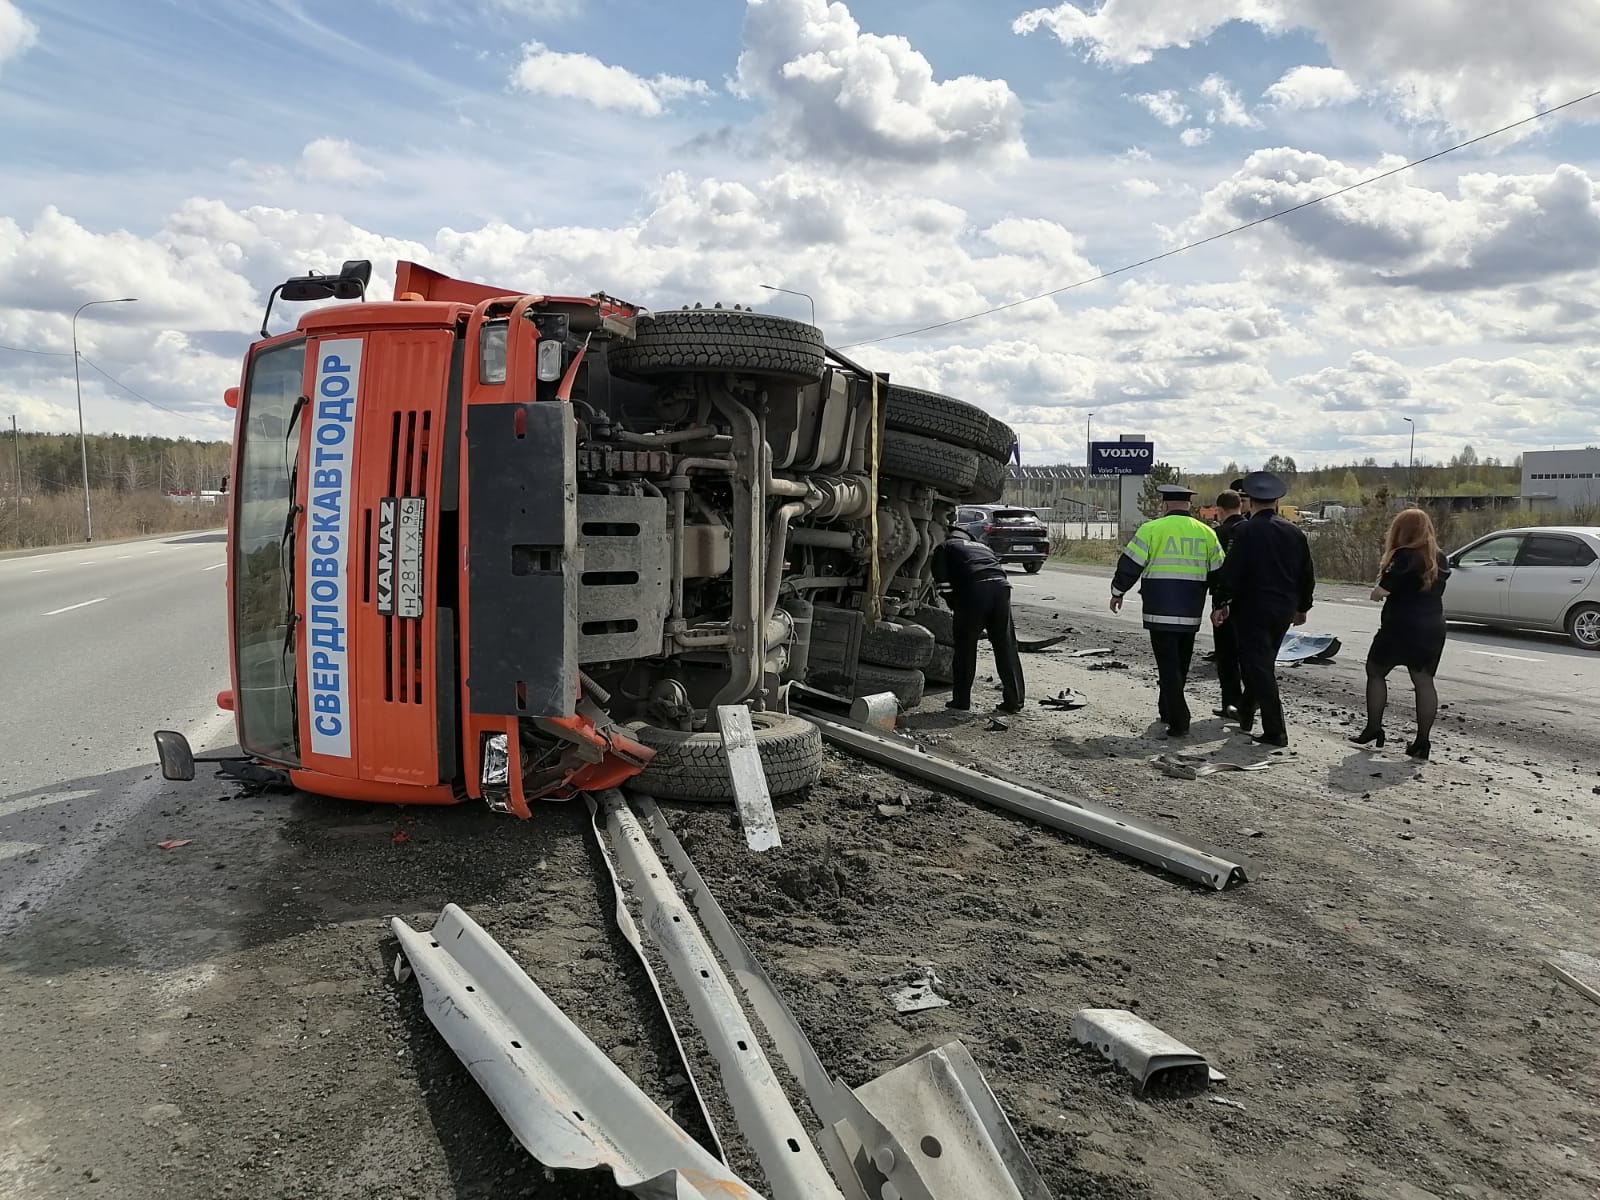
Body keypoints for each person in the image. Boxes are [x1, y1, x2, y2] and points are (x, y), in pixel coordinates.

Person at [1108, 484, 1223, 736]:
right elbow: (1219, 574)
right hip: (1191, 611)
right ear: (1189, 506)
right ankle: (1167, 709)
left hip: (1159, 611)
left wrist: (1118, 591)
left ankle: (1179, 718)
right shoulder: (1207, 533)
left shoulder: (1151, 529)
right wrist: (1220, 604)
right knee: (1180, 664)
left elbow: (1130, 565)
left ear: (1165, 505)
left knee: (1167, 665)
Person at [1213, 471, 1315, 748]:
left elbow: (1232, 571)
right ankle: (1246, 713)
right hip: (1283, 609)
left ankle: (1275, 730)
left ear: (1251, 501)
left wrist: (1221, 602)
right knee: (1263, 663)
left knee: (1257, 666)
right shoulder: (1294, 532)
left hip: (1252, 608)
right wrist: (1303, 606)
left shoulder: (1245, 531)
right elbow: (1307, 572)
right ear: (1276, 501)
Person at [1349, 508, 1451, 760]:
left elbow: (1381, 591)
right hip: (1432, 626)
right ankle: (1422, 742)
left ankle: (1374, 727)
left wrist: (1377, 590)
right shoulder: (1439, 556)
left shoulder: (1404, 556)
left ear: (1400, 530)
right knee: (1424, 682)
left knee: (1375, 671)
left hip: (1400, 626)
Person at [931, 522, 1025, 713]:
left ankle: (961, 700)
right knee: (1006, 646)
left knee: (965, 648)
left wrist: (955, 604)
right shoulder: (983, 547)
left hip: (974, 590)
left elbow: (942, 582)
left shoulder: (945, 547)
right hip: (1001, 588)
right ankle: (1014, 701)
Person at [1210, 490, 1247, 719]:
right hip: (1252, 603)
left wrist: (1218, 601)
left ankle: (1230, 703)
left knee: (1226, 655)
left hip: (1225, 602)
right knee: (1248, 655)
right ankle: (1250, 702)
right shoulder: (1251, 530)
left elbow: (1216, 572)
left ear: (1220, 510)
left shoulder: (1219, 533)